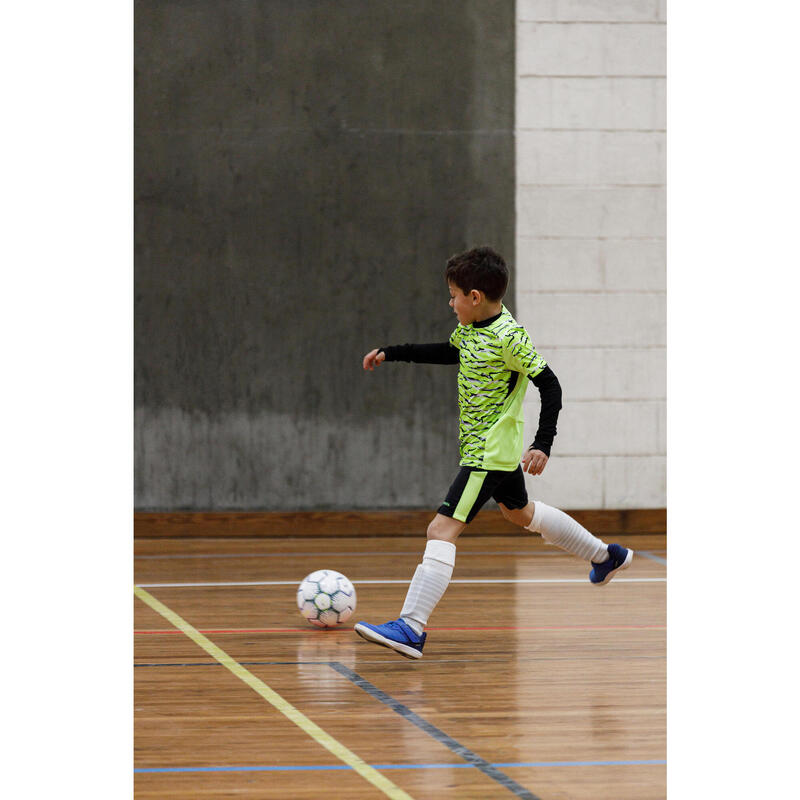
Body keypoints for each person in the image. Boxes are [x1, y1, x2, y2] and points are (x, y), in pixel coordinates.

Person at [354, 247, 632, 659]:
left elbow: (550, 385)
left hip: (489, 453)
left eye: (453, 295)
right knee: (520, 514)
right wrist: (393, 352)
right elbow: (453, 353)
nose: (450, 303)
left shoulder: (509, 337)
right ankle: (606, 555)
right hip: (488, 451)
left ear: (475, 296)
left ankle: (411, 627)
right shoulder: (470, 330)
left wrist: (543, 444)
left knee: (440, 530)